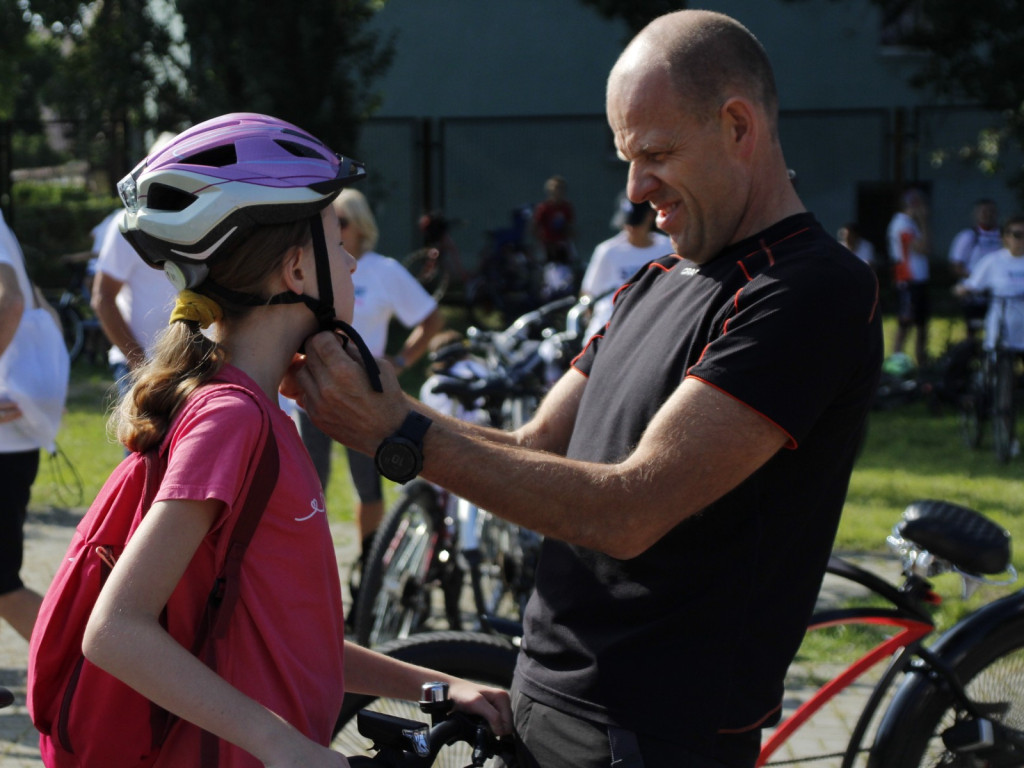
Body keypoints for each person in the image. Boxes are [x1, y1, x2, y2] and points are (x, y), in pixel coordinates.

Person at [289, 10, 882, 768]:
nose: (636, 189)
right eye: (626, 159)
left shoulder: (808, 290)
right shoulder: (657, 278)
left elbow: (629, 509)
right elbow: (534, 447)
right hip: (545, 688)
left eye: (657, 153)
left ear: (738, 126)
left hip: (655, 726)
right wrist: (364, 400)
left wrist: (396, 438)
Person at [79, 113, 510, 768]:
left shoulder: (260, 409)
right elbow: (115, 631)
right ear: (297, 269)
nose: (353, 258)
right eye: (338, 240)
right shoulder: (233, 420)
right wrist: (280, 743)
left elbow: (290, 641)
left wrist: (437, 684)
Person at [292, 187, 444, 565]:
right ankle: (307, 564)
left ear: (360, 226)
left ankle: (368, 566)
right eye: (327, 221)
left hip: (363, 389)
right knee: (310, 485)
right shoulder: (313, 263)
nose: (333, 228)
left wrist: (402, 361)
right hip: (309, 383)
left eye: (340, 221)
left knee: (368, 485)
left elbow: (430, 319)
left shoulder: (384, 270)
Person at [0, 212, 47, 643]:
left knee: (3, 588)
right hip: (12, 436)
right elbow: (37, 303)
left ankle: (88, 679)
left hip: (5, 442)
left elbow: (12, 300)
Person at [91, 209, 177, 398]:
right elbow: (102, 298)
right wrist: (141, 365)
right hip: (141, 368)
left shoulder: (205, 214)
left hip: (198, 364)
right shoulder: (129, 222)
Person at [579, 196, 672, 340]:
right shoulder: (608, 251)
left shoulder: (668, 248)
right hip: (609, 329)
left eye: (636, 223)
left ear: (650, 216)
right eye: (627, 222)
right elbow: (589, 292)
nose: (630, 228)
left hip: (652, 328)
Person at [956, 214, 1024, 351]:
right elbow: (972, 285)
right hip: (1002, 322)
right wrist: (961, 290)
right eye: (1017, 235)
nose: (1021, 239)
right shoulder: (993, 261)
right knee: (1000, 361)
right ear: (1005, 237)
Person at [887, 187, 932, 367]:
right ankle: (895, 360)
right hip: (908, 279)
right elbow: (923, 248)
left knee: (921, 323)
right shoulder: (902, 223)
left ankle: (921, 361)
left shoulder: (911, 223)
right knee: (905, 322)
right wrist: (923, 221)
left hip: (919, 280)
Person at [949, 198, 1001, 337]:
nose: (987, 215)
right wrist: (979, 281)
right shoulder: (968, 237)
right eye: (983, 212)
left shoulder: (1006, 237)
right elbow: (956, 266)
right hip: (973, 294)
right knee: (973, 330)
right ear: (976, 214)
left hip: (997, 293)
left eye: (990, 211)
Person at [532, 175, 576, 267]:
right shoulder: (544, 208)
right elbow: (535, 226)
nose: (558, 191)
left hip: (562, 246)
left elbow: (570, 226)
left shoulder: (566, 207)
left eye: (561, 188)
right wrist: (542, 242)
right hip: (547, 246)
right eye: (556, 188)